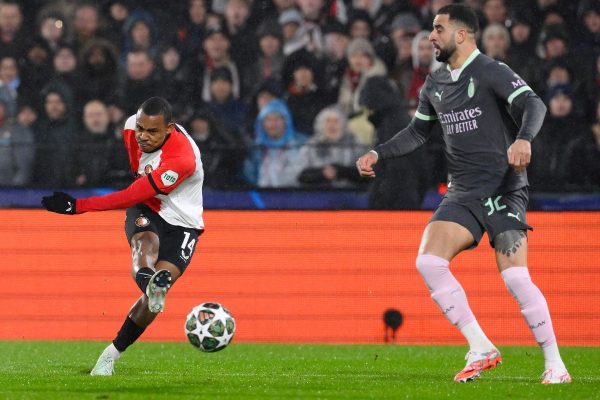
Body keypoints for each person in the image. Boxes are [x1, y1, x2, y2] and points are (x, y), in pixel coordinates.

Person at [355, 4, 571, 384]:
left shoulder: (490, 70)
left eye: (438, 29)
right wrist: (379, 152)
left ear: (461, 34)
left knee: (516, 279)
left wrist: (523, 139)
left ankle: (555, 364)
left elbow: (533, 103)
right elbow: (418, 132)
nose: (430, 36)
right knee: (428, 263)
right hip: (463, 192)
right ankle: (481, 346)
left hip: (503, 187)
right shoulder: (435, 84)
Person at [41, 97, 204, 376]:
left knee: (155, 297)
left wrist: (79, 207)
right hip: (149, 208)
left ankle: (111, 353)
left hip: (184, 224)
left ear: (169, 129)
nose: (143, 136)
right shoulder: (130, 128)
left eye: (152, 132)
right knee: (144, 244)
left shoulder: (182, 159)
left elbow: (133, 192)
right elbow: (137, 173)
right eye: (141, 128)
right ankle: (150, 282)